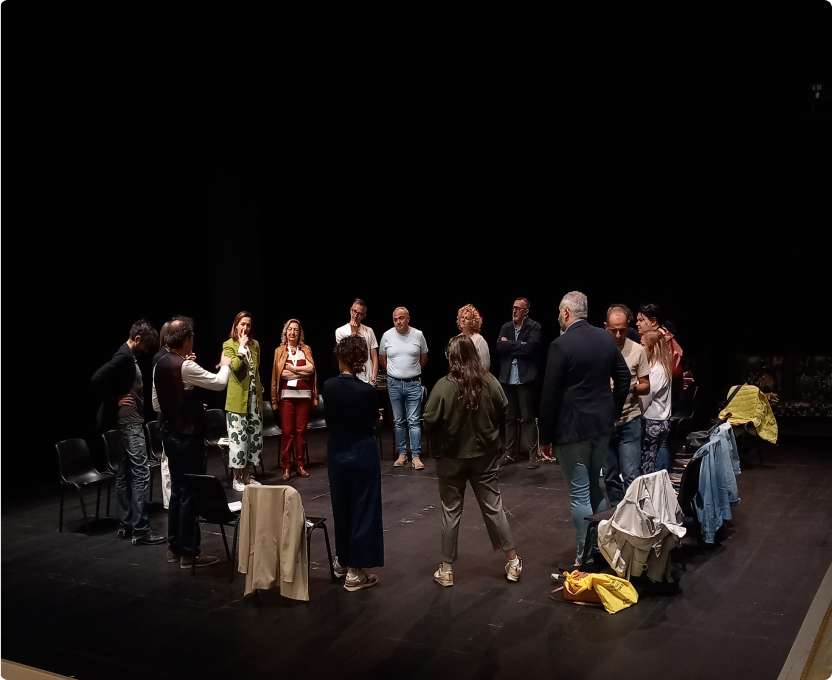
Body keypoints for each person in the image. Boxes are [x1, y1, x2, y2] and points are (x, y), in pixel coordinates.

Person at [423, 335, 522, 587]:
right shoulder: (489, 381)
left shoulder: (443, 386)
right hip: (484, 456)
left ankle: (446, 569)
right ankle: (513, 562)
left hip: (451, 458)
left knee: (451, 511)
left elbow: (430, 419)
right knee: (493, 507)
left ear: (451, 357)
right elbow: (504, 408)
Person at [539, 292, 630, 566]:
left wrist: (545, 436)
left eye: (560, 312)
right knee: (595, 489)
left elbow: (549, 395)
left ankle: (584, 558)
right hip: (601, 427)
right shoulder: (605, 339)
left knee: (580, 493)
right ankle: (602, 550)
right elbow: (624, 377)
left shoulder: (560, 345)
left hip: (572, 430)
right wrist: (613, 410)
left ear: (566, 313)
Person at [155, 316, 231, 569]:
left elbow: (157, 402)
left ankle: (174, 548)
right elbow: (219, 383)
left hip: (170, 434)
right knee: (190, 492)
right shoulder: (185, 366)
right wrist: (225, 364)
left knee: (178, 492)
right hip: (187, 437)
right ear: (187, 340)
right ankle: (189, 552)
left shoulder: (160, 362)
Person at [91, 319, 165, 545]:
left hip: (123, 424)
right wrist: (115, 400)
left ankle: (126, 524)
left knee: (123, 473)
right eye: (145, 346)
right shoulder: (124, 356)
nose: (145, 351)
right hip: (129, 423)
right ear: (137, 339)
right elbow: (97, 378)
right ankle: (140, 529)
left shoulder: (126, 355)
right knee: (140, 473)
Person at [323, 336, 384, 592]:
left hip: (337, 453)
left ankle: (342, 559)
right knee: (363, 509)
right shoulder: (367, 391)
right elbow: (372, 423)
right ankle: (355, 571)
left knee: (341, 507)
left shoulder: (328, 386)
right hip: (361, 453)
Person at [603, 304, 650, 505]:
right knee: (610, 475)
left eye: (622, 330)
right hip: (605, 422)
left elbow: (646, 385)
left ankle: (634, 514)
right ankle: (617, 512)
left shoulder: (638, 350)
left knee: (631, 474)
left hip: (629, 419)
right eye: (613, 330)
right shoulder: (599, 350)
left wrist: (630, 388)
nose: (618, 335)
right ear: (605, 327)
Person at [495, 298, 544, 469]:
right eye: (513, 308)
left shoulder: (534, 326)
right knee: (509, 417)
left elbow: (531, 348)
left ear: (526, 311)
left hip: (525, 378)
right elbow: (499, 348)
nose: (514, 311)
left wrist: (509, 344)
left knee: (527, 417)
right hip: (507, 378)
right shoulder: (506, 327)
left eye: (518, 308)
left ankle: (533, 455)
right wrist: (519, 345)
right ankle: (510, 453)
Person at [379, 306, 428, 470]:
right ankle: (402, 454)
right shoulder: (387, 335)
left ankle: (416, 456)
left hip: (413, 383)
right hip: (394, 383)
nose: (398, 321)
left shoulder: (418, 334)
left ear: (408, 318)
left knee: (414, 421)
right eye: (395, 319)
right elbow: (382, 358)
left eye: (401, 318)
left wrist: (412, 371)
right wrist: (393, 371)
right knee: (398, 421)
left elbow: (424, 357)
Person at [272, 318, 318, 481]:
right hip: (286, 397)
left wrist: (292, 368)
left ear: (300, 333)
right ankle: (286, 466)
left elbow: (311, 369)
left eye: (296, 330)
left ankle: (300, 464)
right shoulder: (279, 351)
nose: (292, 332)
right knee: (287, 432)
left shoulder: (306, 349)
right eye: (290, 329)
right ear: (286, 332)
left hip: (304, 397)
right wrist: (301, 372)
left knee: (300, 432)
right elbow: (280, 374)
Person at [222, 311, 264, 492]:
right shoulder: (228, 345)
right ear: (236, 325)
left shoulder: (255, 345)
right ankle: (236, 479)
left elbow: (256, 370)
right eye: (242, 324)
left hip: (254, 400)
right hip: (237, 401)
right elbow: (236, 367)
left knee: (253, 439)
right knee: (239, 441)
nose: (245, 327)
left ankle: (247, 476)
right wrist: (241, 347)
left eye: (248, 325)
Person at [639, 330, 674, 474]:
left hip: (653, 421)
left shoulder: (657, 370)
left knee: (649, 462)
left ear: (652, 347)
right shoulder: (659, 367)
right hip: (659, 419)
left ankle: (654, 485)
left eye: (642, 345)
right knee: (653, 457)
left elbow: (647, 395)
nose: (640, 348)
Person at [334, 298, 378, 385]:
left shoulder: (369, 331)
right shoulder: (340, 331)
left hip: (368, 377)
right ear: (350, 310)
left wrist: (374, 376)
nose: (356, 315)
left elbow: (374, 357)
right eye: (354, 311)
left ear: (364, 315)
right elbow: (343, 356)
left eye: (360, 313)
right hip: (350, 377)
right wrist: (354, 333)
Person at [456, 303, 490, 370]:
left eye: (467, 318)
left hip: (475, 375)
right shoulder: (457, 338)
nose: (463, 320)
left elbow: (485, 366)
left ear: (473, 322)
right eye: (462, 317)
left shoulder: (479, 340)